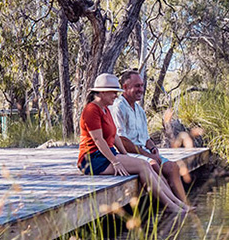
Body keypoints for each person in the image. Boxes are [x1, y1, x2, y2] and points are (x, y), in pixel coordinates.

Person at [77, 73, 190, 213]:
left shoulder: (105, 109)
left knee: (146, 166)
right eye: (113, 92)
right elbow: (98, 140)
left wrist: (125, 156)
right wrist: (115, 162)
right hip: (93, 159)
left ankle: (177, 202)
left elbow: (116, 138)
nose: (115, 96)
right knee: (144, 165)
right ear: (102, 92)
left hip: (107, 155)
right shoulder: (91, 110)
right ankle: (170, 206)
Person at [110, 69, 188, 203]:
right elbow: (122, 141)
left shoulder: (139, 110)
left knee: (173, 167)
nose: (141, 89)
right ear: (125, 87)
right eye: (137, 86)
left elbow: (145, 138)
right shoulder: (118, 107)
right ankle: (173, 204)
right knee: (153, 165)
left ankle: (185, 202)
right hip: (126, 154)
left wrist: (152, 148)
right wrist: (149, 156)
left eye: (142, 85)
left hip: (143, 152)